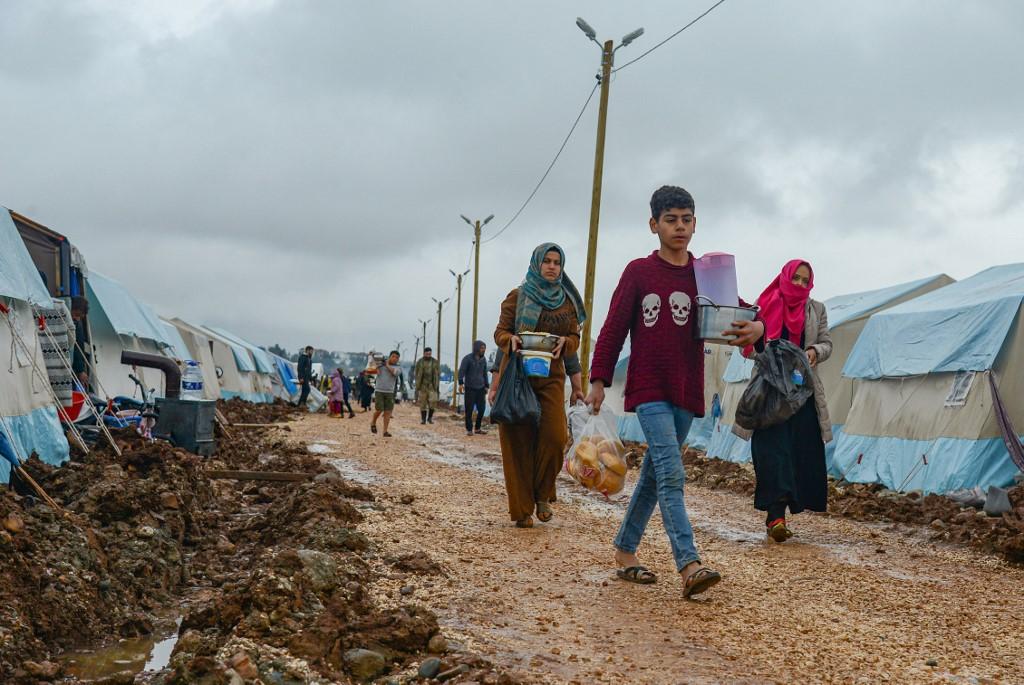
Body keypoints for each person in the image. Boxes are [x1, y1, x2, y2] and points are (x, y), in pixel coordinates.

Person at [586, 185, 765, 598]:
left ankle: (625, 549)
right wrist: (598, 379)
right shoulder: (638, 273)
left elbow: (737, 314)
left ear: (695, 224)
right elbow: (613, 329)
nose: (679, 227)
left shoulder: (704, 274)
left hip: (686, 389)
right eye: (671, 219)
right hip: (648, 387)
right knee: (671, 472)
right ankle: (689, 564)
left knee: (653, 475)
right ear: (654, 225)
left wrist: (758, 326)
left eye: (686, 219)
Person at [734, 260, 832, 542]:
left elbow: (827, 342)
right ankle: (775, 516)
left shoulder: (816, 310)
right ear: (785, 277)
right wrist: (767, 354)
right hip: (770, 393)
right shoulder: (763, 307)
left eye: (805, 280)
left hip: (801, 393)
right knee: (772, 452)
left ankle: (788, 507)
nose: (800, 284)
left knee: (799, 451)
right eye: (796, 278)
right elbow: (749, 348)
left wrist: (814, 351)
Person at [494, 243, 584, 528]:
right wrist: (511, 341)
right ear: (536, 264)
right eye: (546, 261)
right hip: (518, 379)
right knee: (518, 441)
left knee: (555, 437)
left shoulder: (566, 301)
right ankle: (522, 510)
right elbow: (500, 333)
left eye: (557, 262)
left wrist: (567, 350)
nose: (552, 266)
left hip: (552, 380)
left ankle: (543, 494)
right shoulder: (517, 297)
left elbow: (573, 341)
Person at [489, 349, 584, 406]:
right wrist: (494, 388)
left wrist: (577, 389)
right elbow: (503, 341)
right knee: (516, 433)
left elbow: (570, 351)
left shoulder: (561, 318)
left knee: (552, 435)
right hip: (516, 387)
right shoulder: (515, 318)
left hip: (550, 388)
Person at [459, 340, 490, 436]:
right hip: (470, 388)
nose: (483, 350)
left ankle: (477, 428)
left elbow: (485, 373)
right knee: (469, 409)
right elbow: (462, 371)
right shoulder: (467, 359)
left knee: (482, 408)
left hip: (481, 388)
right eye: (481, 348)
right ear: (476, 348)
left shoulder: (483, 360)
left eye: (484, 348)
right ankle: (469, 429)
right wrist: (460, 383)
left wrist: (486, 385)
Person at [369, 350, 400, 437]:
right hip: (379, 390)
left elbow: (395, 373)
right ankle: (373, 422)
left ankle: (385, 431)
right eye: (393, 356)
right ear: (389, 356)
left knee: (388, 412)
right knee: (379, 409)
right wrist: (372, 358)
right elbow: (374, 371)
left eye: (397, 357)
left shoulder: (397, 367)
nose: (395, 359)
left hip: (390, 392)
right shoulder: (381, 365)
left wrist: (387, 365)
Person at [69, 296, 91, 391]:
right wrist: (81, 370)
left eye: (79, 316)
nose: (76, 318)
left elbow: (79, 348)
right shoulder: (74, 324)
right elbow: (76, 348)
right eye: (76, 314)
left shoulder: (77, 324)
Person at [414, 347, 441, 425]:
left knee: (433, 402)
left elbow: (438, 372)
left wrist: (436, 383)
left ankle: (430, 418)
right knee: (423, 403)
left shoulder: (435, 362)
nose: (428, 355)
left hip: (432, 385)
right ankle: (423, 419)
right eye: (427, 354)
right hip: (423, 385)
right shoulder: (420, 362)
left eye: (429, 354)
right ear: (424, 353)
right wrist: (417, 383)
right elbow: (416, 372)